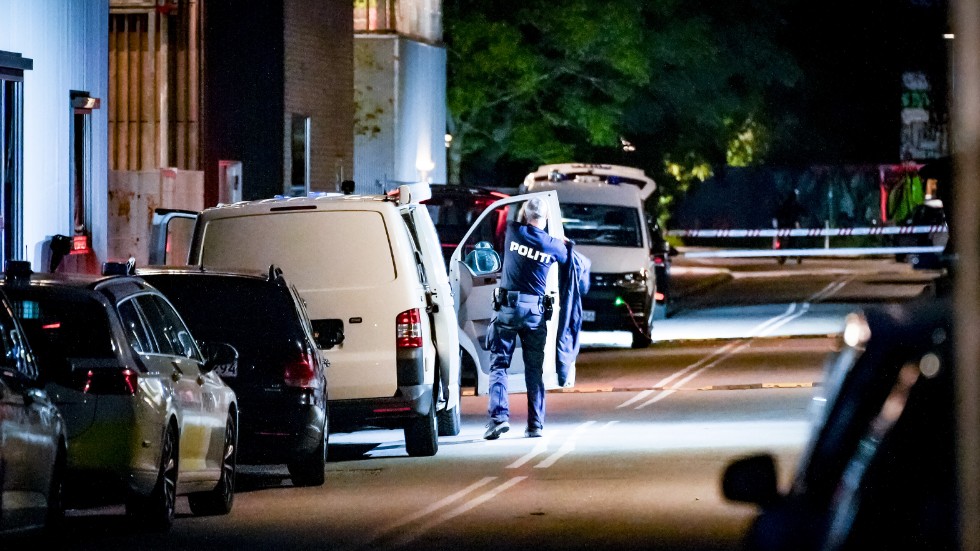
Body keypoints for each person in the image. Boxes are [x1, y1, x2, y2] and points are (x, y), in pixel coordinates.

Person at [484, 197, 570, 440]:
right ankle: (535, 425)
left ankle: (498, 419)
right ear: (546, 219)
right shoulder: (554, 246)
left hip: (508, 309)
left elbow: (503, 221)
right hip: (535, 312)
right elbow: (566, 258)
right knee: (534, 370)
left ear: (524, 215)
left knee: (499, 365)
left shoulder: (513, 231)